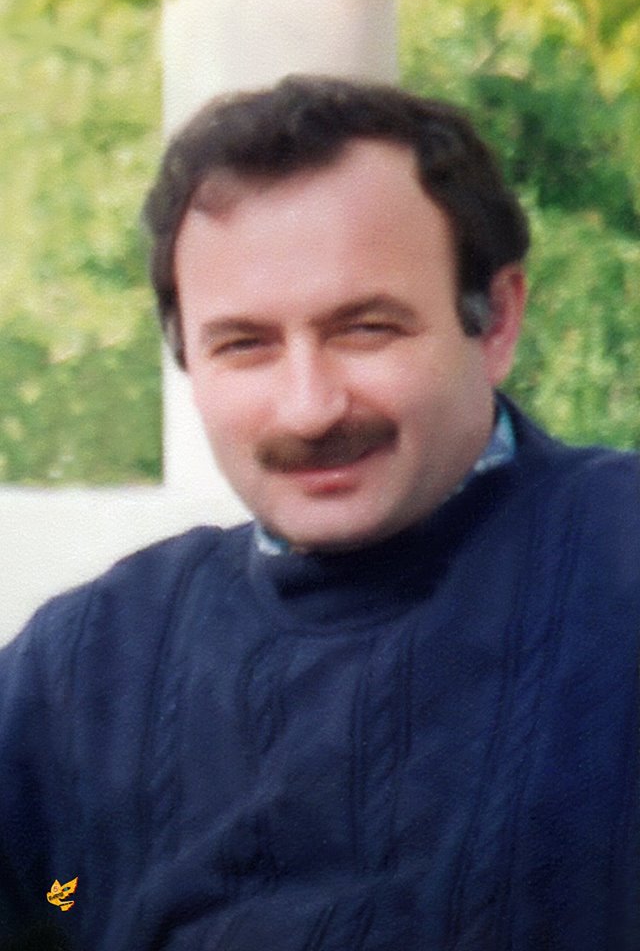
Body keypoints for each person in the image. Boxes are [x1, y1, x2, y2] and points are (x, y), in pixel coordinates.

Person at [0, 75, 638, 951]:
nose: (309, 408)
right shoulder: (87, 666)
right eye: (245, 345)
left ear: (495, 322)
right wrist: (69, 904)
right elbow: (54, 900)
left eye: (365, 328)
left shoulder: (619, 562)